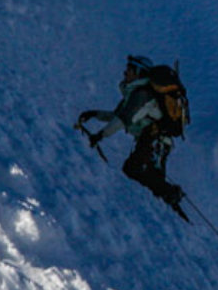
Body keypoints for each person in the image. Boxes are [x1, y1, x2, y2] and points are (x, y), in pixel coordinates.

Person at [77, 54, 187, 218]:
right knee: (144, 173)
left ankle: (170, 199)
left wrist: (99, 135)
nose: (125, 73)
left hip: (154, 140)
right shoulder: (138, 94)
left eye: (129, 70)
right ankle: (168, 208)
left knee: (134, 170)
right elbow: (119, 116)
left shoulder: (141, 95)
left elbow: (122, 120)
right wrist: (95, 114)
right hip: (155, 141)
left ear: (139, 72)